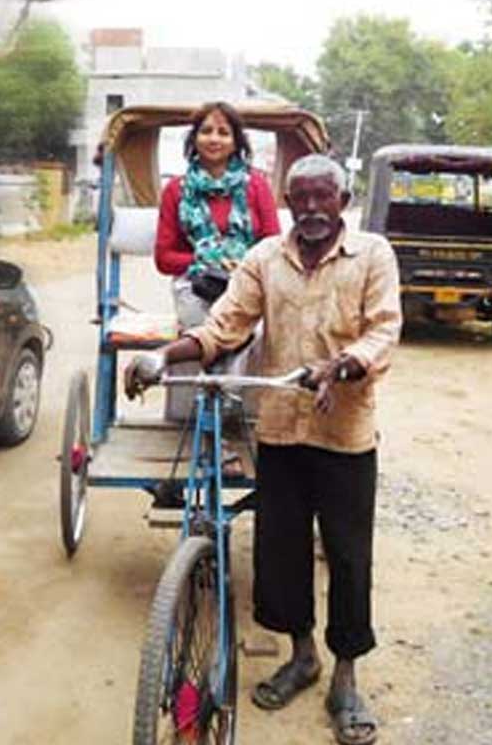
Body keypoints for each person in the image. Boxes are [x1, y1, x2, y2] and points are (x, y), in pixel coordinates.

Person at [125, 153, 401, 745]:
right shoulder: (263, 259)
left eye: (322, 197)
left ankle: (346, 677)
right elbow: (224, 325)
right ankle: (301, 657)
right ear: (288, 204)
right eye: (299, 198)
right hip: (278, 427)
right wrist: (160, 358)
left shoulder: (373, 254)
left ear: (342, 202)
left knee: (349, 557)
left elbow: (383, 329)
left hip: (344, 433)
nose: (310, 209)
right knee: (281, 552)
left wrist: (342, 364)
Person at [155, 101, 282, 420]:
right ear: (194, 138)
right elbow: (164, 257)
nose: (214, 139)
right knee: (206, 336)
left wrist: (241, 265)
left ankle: (224, 409)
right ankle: (212, 424)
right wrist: (206, 259)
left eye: (224, 132)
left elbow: (273, 244)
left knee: (250, 334)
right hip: (195, 285)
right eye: (206, 131)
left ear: (236, 142)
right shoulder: (175, 190)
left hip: (247, 283)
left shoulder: (256, 186)